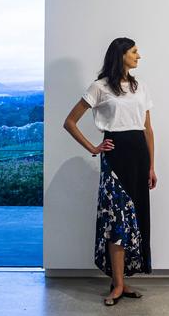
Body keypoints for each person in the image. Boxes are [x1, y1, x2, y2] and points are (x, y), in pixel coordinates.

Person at [63, 37, 157, 306]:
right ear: (121, 55)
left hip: (139, 156)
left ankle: (122, 281)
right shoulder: (100, 87)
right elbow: (69, 122)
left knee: (134, 220)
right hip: (116, 158)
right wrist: (93, 147)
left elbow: (148, 130)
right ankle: (116, 285)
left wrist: (152, 165)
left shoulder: (140, 87)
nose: (139, 56)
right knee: (117, 222)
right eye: (134, 51)